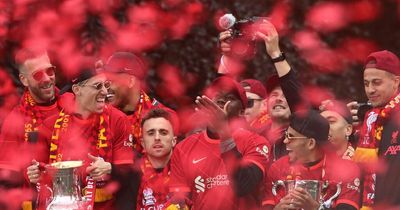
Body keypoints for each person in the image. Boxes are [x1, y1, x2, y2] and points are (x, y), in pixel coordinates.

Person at [256, 20, 361, 210]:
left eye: (330, 120)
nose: (285, 141)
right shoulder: (279, 167)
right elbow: (299, 106)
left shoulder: (351, 165)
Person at [26, 68, 136, 210]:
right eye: (97, 86)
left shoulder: (118, 119)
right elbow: (35, 170)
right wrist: (33, 175)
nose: (104, 91)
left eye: (106, 85)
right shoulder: (50, 126)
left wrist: (109, 168)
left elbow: (129, 173)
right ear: (77, 90)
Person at [168, 76, 271, 209]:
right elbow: (180, 200)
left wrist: (223, 131)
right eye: (217, 95)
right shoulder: (183, 148)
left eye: (231, 98)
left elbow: (243, 185)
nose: (221, 100)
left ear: (242, 112)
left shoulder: (256, 142)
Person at [219, 30, 291, 161]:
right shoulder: (252, 135)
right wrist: (227, 58)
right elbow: (221, 99)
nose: (279, 98)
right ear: (267, 102)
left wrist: (275, 52)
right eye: (274, 94)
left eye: (285, 95)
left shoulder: (305, 133)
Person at [351, 50, 400, 209]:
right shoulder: (370, 119)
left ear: (396, 82)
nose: (370, 90)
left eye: (376, 82)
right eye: (366, 83)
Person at [99, 52, 171, 154]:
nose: (105, 88)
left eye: (111, 81)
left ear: (131, 81)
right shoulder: (99, 114)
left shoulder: (163, 119)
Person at [137, 108, 178, 210]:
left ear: (174, 140)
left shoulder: (187, 171)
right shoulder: (131, 175)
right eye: (151, 133)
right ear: (142, 143)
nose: (157, 138)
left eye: (163, 132)